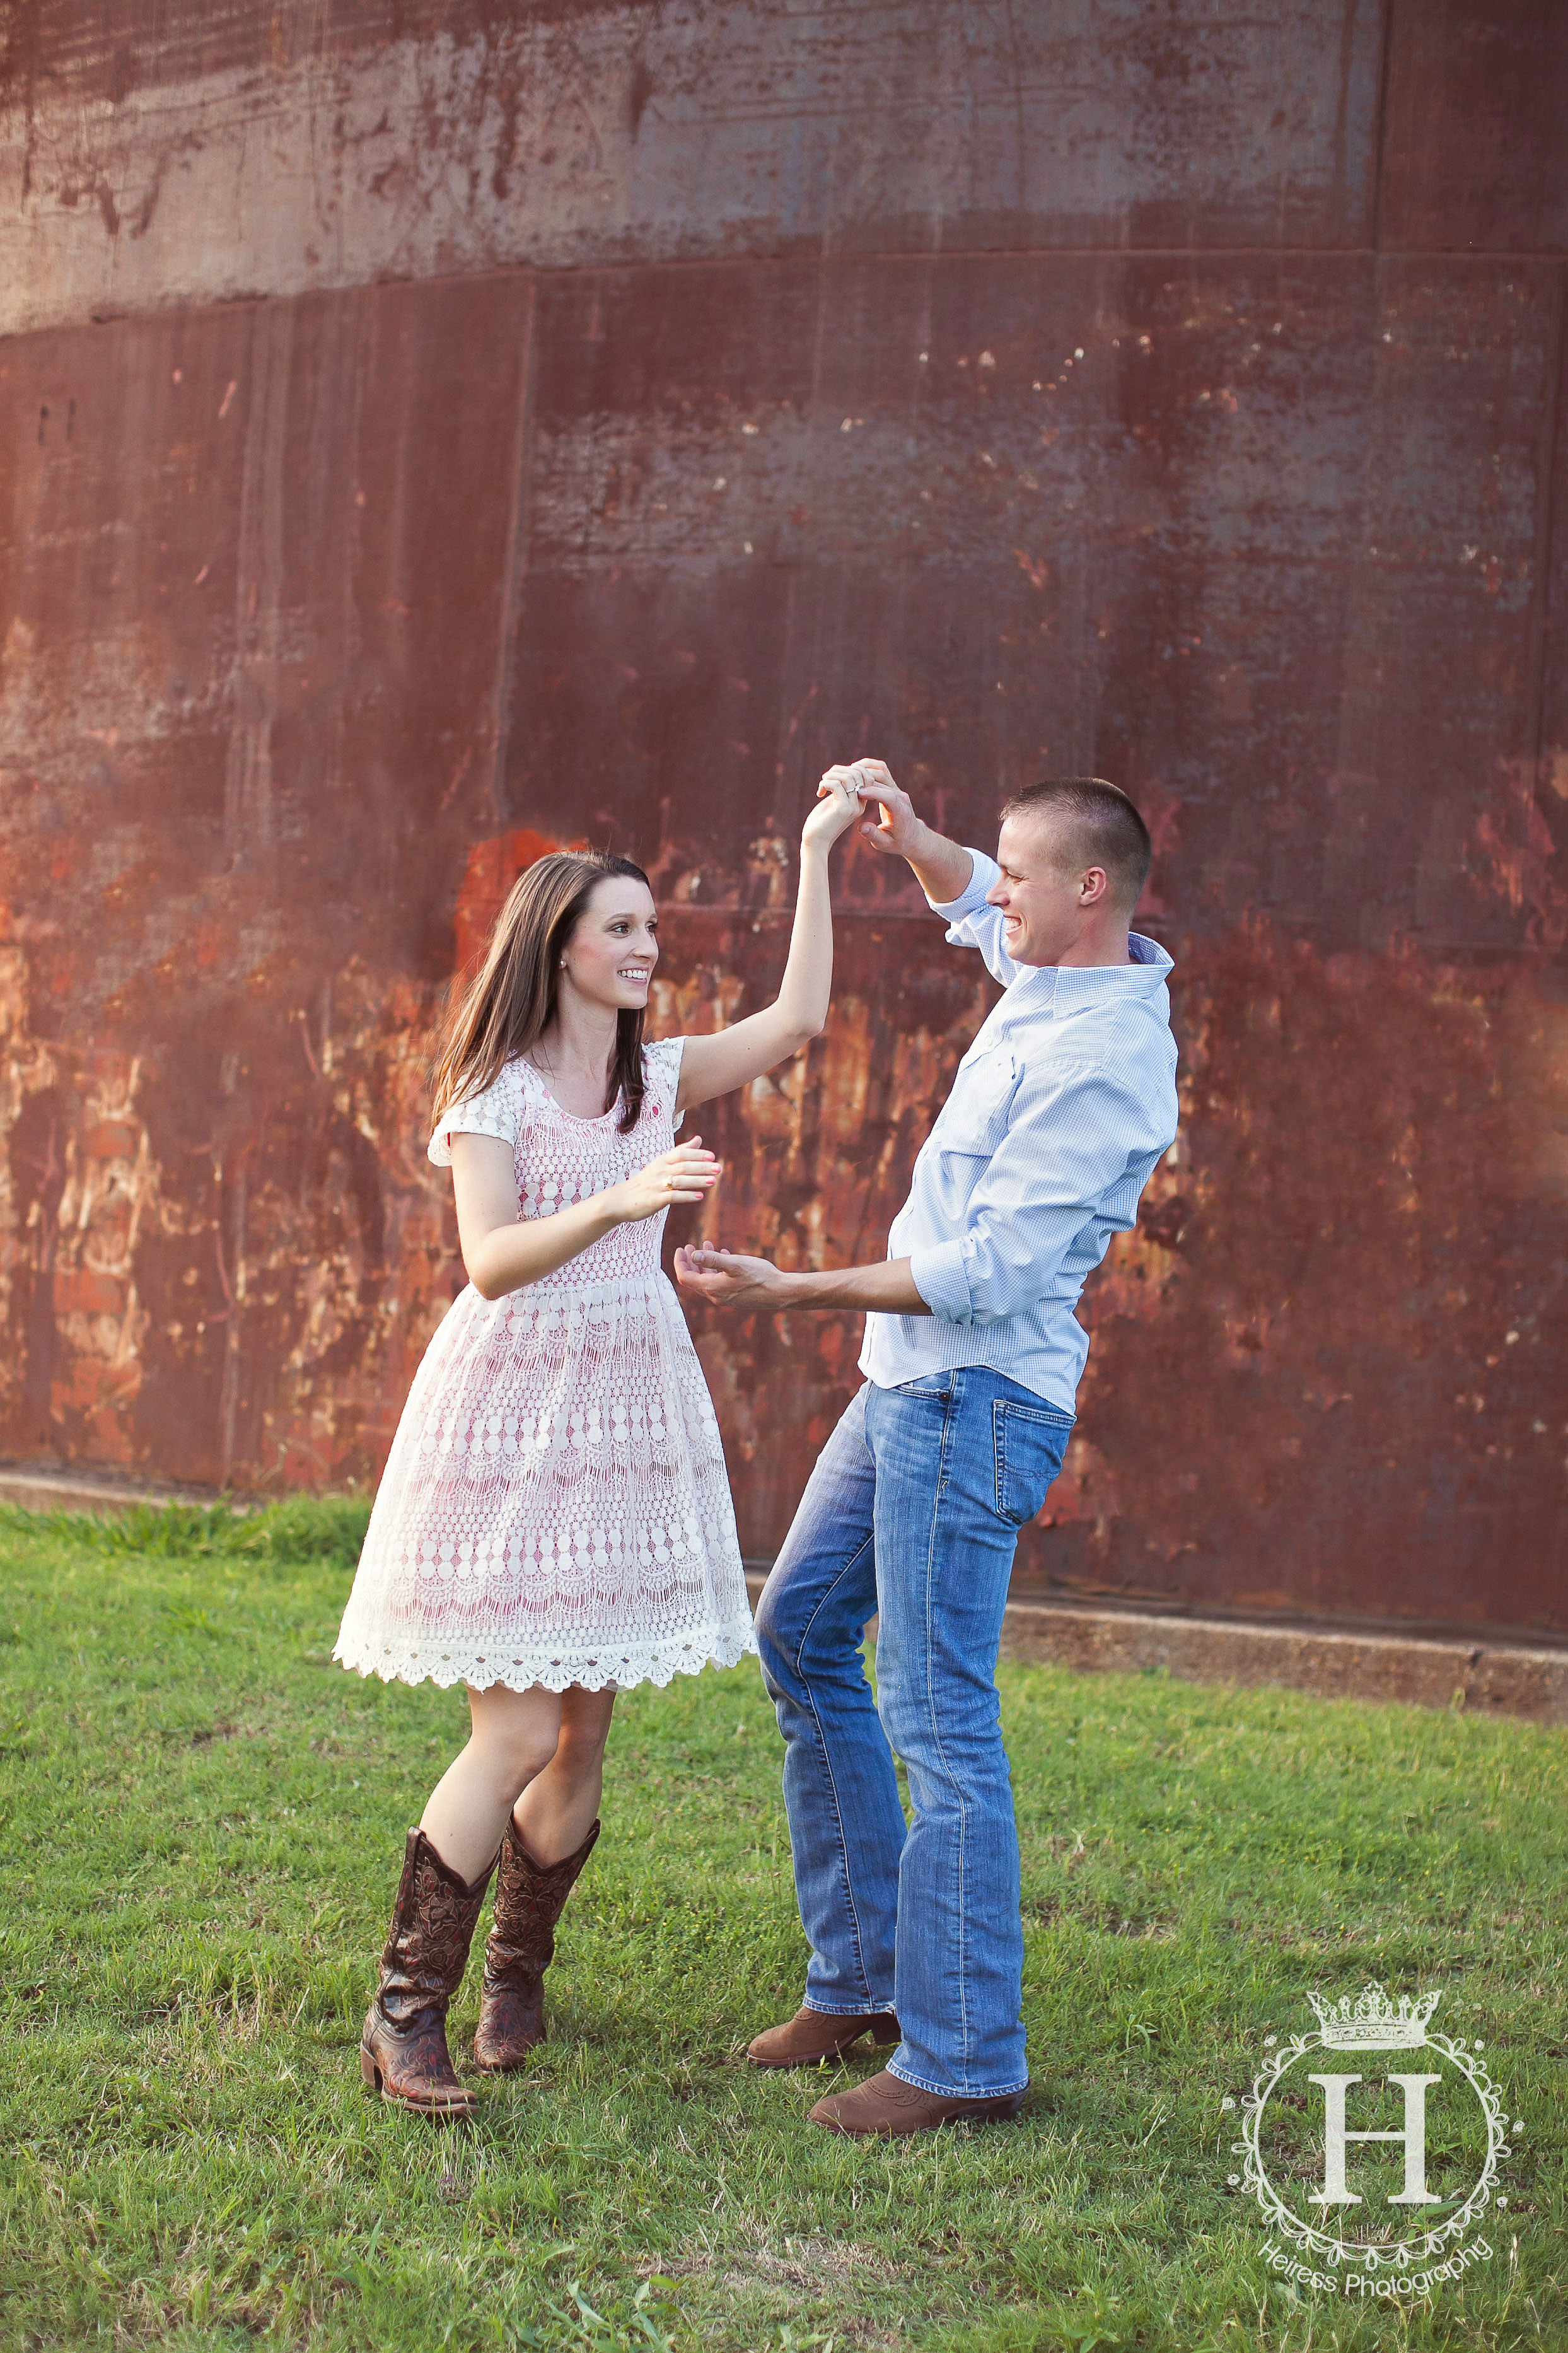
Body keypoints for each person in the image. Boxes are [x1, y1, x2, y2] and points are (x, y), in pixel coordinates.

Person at [335, 772, 864, 2118]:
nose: (644, 949)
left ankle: (519, 1974)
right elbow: (492, 1260)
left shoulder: (660, 1072)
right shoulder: (493, 1092)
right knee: (510, 1731)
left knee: (579, 1741)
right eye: (621, 929)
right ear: (559, 942)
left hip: (629, 1416)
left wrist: (812, 846)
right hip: (511, 1415)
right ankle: (404, 2016)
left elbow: (799, 1019)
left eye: (647, 931)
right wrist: (625, 1198)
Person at [676, 766, 1180, 2137]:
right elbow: (971, 902)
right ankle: (863, 1977)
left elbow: (987, 1271)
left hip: (971, 1397)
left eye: (1018, 873)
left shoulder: (1103, 1055)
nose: (990, 890)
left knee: (939, 1717)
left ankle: (965, 2060)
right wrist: (911, 840)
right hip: (907, 1384)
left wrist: (795, 1292)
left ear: (1088, 890)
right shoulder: (1053, 970)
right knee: (799, 1636)